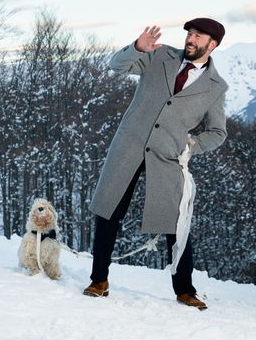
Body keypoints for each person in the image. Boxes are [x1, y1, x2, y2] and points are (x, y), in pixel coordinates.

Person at [83, 18, 228, 309]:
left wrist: (192, 145)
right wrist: (137, 48)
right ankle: (99, 279)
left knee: (177, 222)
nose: (190, 38)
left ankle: (185, 290)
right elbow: (116, 65)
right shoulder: (160, 55)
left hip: (169, 156)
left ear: (212, 45)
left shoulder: (216, 87)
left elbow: (218, 132)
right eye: (189, 33)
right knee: (109, 209)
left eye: (198, 36)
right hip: (129, 145)